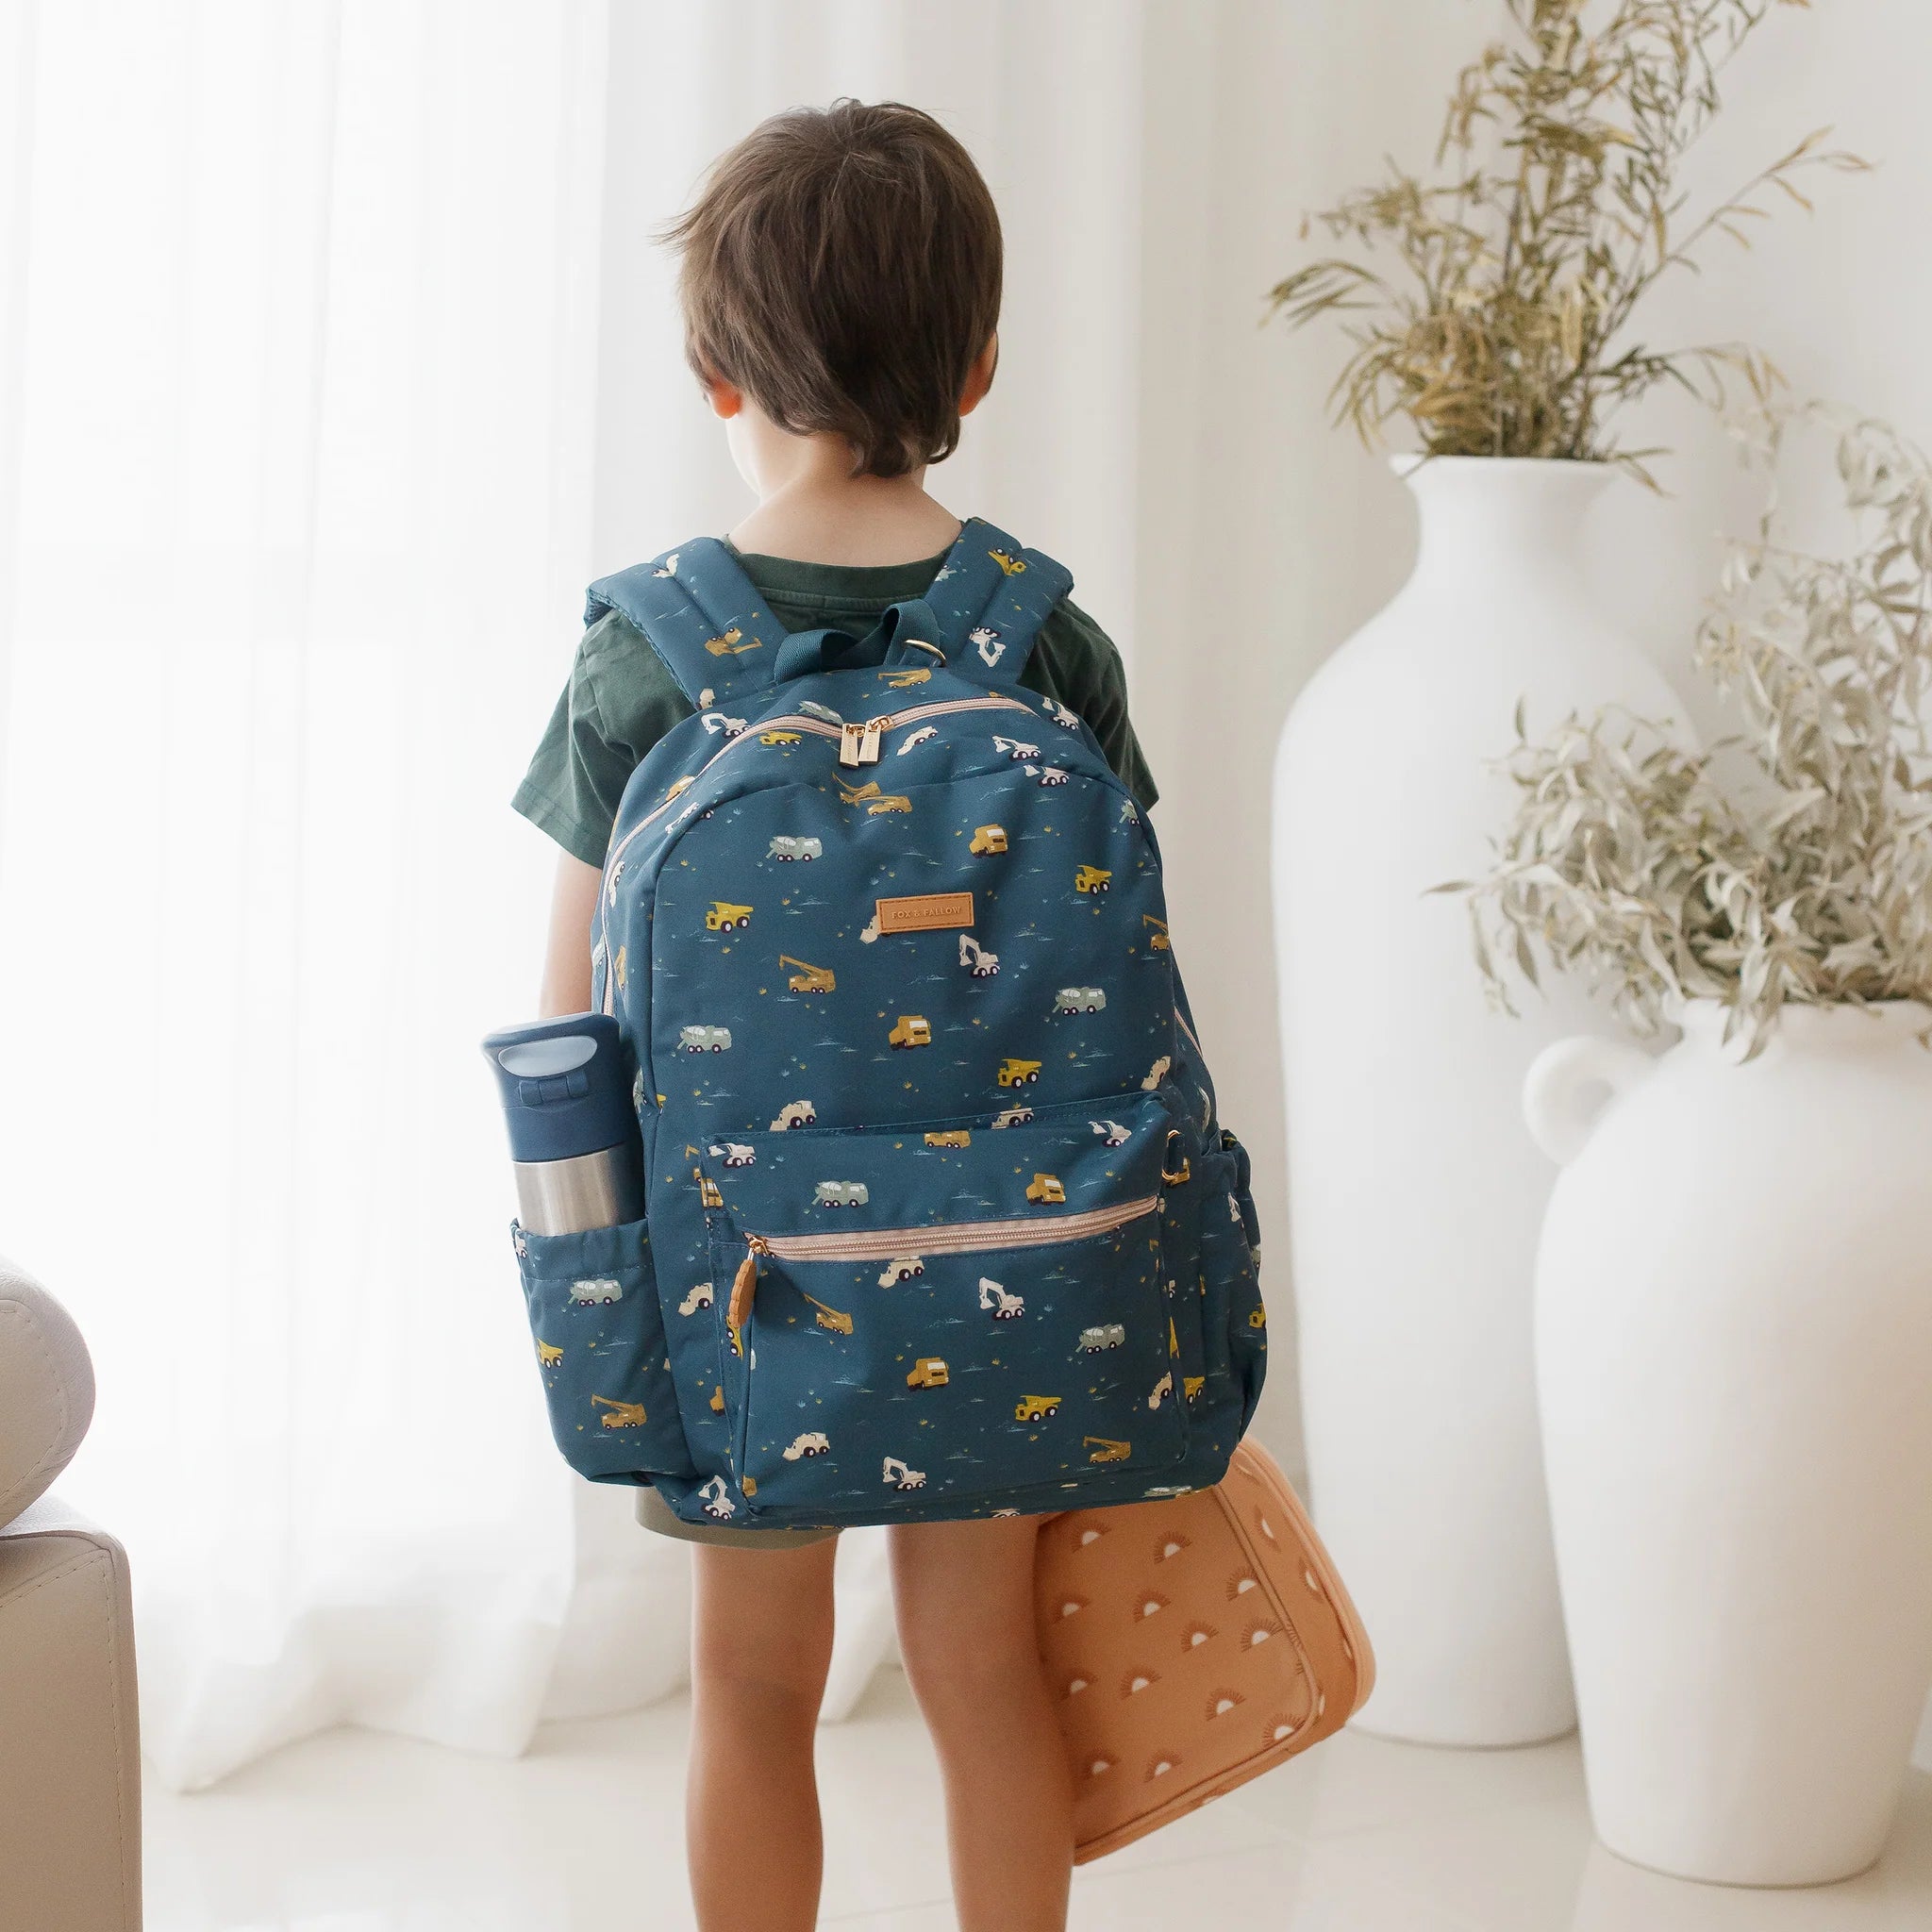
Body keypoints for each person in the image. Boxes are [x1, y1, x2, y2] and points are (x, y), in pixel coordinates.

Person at [513, 99, 1158, 1932]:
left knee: (749, 1682)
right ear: (977, 364)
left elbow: (562, 1013)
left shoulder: (646, 647)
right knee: (986, 1668)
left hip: (745, 1275)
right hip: (1016, 1251)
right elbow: (1119, 981)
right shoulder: (1044, 641)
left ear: (716, 371)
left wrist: (592, 1272)